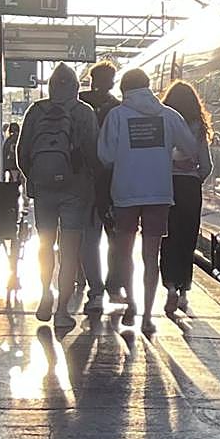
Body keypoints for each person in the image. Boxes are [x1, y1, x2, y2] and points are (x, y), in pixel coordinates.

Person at [98, 68, 198, 333]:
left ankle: (131, 302)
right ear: (149, 86)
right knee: (150, 257)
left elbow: (105, 156)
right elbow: (191, 149)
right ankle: (147, 318)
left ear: (124, 90)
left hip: (125, 193)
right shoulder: (168, 115)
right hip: (159, 193)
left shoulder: (117, 116)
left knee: (125, 252)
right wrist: (167, 155)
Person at [17, 63, 99, 331]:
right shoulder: (84, 112)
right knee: (69, 249)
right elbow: (93, 153)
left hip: (43, 190)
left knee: (45, 244)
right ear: (76, 88)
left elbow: (22, 151)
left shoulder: (36, 111)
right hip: (76, 191)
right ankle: (62, 310)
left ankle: (45, 292)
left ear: (51, 87)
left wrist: (35, 177)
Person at [159, 80, 213, 317]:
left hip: (166, 186)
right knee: (187, 239)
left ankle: (169, 286)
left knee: (167, 238)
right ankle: (183, 292)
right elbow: (207, 165)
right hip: (190, 188)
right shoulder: (198, 128)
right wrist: (194, 178)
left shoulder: (162, 122)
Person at [78, 61, 121, 309]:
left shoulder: (79, 104)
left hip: (82, 179)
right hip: (111, 181)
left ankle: (94, 290)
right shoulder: (118, 109)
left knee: (88, 237)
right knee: (114, 237)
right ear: (113, 82)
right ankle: (111, 286)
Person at [1, 121, 22, 185]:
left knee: (12, 181)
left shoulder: (8, 140)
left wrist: (4, 168)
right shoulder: (21, 139)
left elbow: (4, 153)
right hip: (19, 164)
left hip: (10, 164)